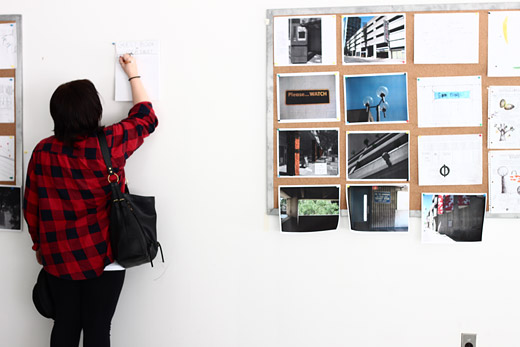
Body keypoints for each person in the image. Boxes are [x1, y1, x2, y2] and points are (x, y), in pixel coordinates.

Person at [23, 53, 158, 347]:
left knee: (65, 326)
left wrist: (39, 248)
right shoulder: (107, 144)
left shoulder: (43, 152)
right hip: (105, 258)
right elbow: (146, 117)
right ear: (94, 111)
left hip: (58, 259)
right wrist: (133, 72)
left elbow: (30, 208)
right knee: (98, 330)